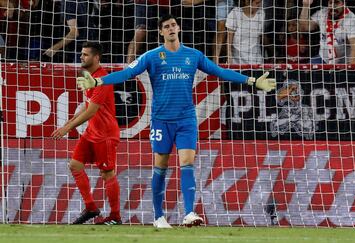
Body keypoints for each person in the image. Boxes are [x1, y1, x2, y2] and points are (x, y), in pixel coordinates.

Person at [76, 14, 276, 228]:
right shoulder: (152, 56)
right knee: (160, 166)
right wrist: (98, 80)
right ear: (161, 32)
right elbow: (127, 74)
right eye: (166, 26)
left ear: (178, 28)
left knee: (187, 162)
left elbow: (220, 71)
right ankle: (158, 216)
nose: (171, 28)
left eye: (173, 25)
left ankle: (189, 213)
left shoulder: (193, 55)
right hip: (161, 120)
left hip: (186, 119)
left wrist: (252, 80)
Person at [52, 42, 121, 225]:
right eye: (81, 54)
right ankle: (91, 207)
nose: (81, 57)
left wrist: (68, 128)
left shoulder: (103, 79)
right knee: (75, 165)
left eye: (85, 55)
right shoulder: (88, 77)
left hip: (105, 134)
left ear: (96, 57)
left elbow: (92, 111)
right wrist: (68, 122)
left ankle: (115, 216)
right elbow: (86, 107)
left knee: (107, 173)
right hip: (92, 131)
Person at [299, 0, 355, 64]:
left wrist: (350, 69)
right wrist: (306, 5)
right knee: (307, 71)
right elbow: (303, 28)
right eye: (330, 2)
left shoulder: (352, 20)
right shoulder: (322, 13)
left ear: (344, 3)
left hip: (344, 62)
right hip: (323, 59)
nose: (333, 6)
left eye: (337, 2)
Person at [226, 0, 266, 65]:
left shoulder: (261, 13)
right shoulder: (235, 13)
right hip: (237, 61)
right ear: (247, 2)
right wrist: (229, 56)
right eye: (257, 3)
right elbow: (229, 39)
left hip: (255, 61)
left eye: (260, 2)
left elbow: (261, 36)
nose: (259, 5)